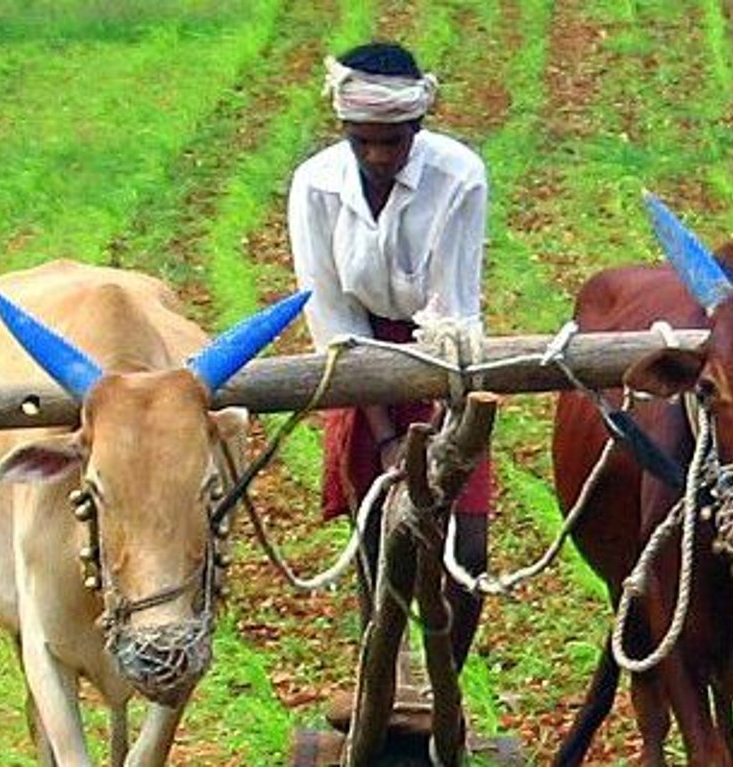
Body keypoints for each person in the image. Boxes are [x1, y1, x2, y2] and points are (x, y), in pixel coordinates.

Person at [287, 40, 492, 730]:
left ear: (417, 128)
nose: (378, 155)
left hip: (446, 362)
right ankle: (382, 691)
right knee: (381, 537)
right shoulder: (315, 185)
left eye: (393, 141)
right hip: (359, 365)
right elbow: (334, 321)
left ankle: (442, 694)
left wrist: (438, 441)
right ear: (344, 130)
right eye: (364, 141)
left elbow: (453, 309)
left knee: (467, 552)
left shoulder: (459, 175)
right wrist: (383, 440)